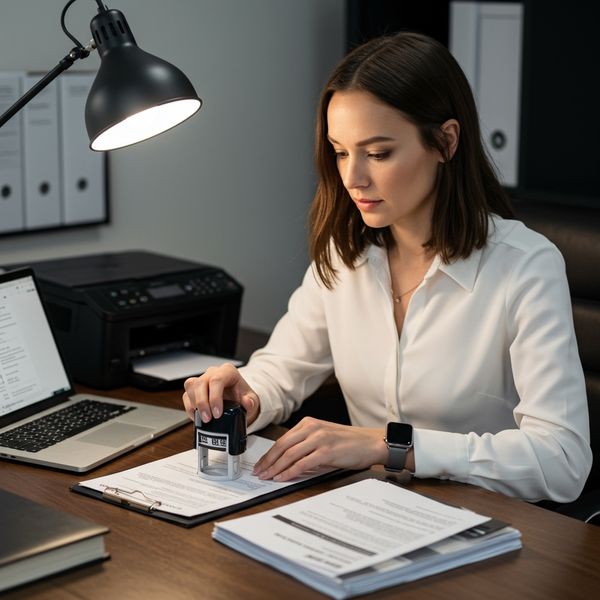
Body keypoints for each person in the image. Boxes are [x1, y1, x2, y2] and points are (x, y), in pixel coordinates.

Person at [183, 32, 591, 503]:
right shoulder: (345, 255)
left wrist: (386, 444)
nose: (353, 178)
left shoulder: (525, 267)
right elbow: (285, 368)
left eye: (378, 153)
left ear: (445, 142)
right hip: (371, 511)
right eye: (340, 151)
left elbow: (562, 460)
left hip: (486, 529)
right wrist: (245, 392)